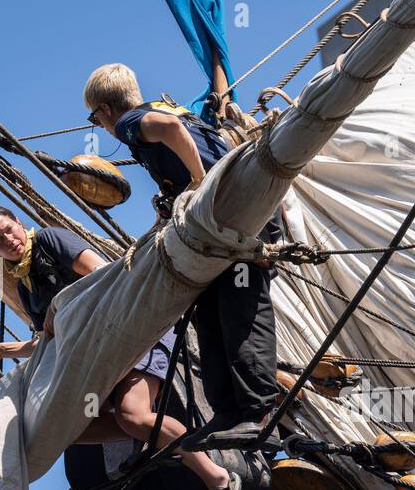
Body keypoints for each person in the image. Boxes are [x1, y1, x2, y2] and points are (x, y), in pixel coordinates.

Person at [0, 206, 242, 490]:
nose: (8, 240)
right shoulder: (25, 289)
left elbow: (105, 274)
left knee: (133, 416)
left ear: (19, 223)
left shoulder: (50, 240)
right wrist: (4, 351)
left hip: (131, 331)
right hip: (97, 360)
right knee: (68, 429)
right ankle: (153, 438)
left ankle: (218, 478)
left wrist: (62, 311)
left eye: (8, 229)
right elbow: (48, 342)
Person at [82, 62, 280, 452]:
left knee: (240, 313)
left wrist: (197, 181)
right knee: (209, 316)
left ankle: (258, 416)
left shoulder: (130, 122)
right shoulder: (175, 110)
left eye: (94, 117)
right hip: (225, 221)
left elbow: (171, 133)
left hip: (232, 220)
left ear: (105, 109)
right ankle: (226, 414)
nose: (100, 125)